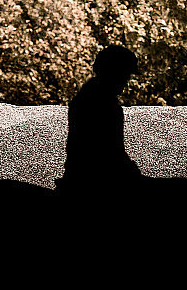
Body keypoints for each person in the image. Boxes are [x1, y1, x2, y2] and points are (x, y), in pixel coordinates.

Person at [56, 45, 142, 198]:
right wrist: (133, 172)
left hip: (82, 179)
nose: (126, 81)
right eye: (125, 75)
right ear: (114, 72)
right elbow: (111, 153)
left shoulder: (88, 96)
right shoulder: (103, 103)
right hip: (95, 184)